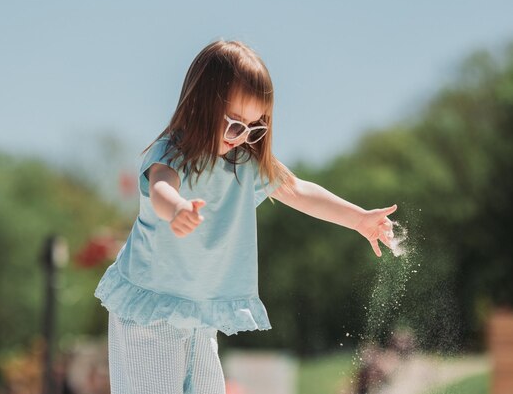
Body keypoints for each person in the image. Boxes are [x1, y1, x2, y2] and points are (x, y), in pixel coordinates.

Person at [94, 39, 397, 394]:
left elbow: (297, 190)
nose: (241, 138)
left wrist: (358, 218)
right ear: (200, 104)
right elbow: (161, 185)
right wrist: (176, 207)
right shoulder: (173, 152)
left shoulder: (244, 163)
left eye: (255, 128)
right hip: (151, 312)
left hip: (199, 315)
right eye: (234, 125)